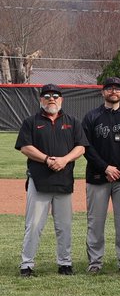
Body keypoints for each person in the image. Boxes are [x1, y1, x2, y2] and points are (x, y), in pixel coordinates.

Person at [16, 83, 88, 276]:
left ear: (61, 99)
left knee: (64, 226)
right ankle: (27, 264)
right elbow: (25, 147)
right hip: (39, 181)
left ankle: (65, 263)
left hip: (64, 180)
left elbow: (81, 147)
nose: (51, 100)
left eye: (55, 96)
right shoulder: (31, 122)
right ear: (41, 99)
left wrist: (64, 160)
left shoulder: (73, 121)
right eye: (47, 96)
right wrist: (47, 159)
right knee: (34, 225)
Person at [81, 77, 120, 274]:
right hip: (97, 178)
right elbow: (86, 147)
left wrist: (119, 169)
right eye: (109, 88)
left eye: (118, 89)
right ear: (102, 92)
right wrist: (106, 168)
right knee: (95, 223)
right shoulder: (91, 117)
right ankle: (95, 263)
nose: (114, 91)